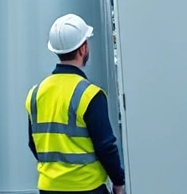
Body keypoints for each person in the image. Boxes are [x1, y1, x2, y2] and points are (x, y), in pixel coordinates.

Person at [26, 13, 125, 194]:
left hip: (49, 188)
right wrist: (118, 182)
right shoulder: (90, 95)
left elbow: (33, 143)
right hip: (87, 187)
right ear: (83, 49)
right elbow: (106, 147)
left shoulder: (35, 93)